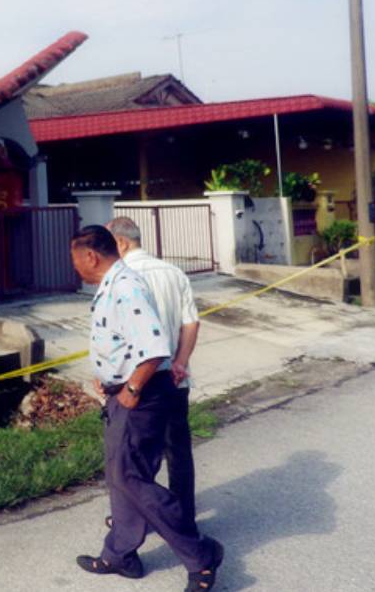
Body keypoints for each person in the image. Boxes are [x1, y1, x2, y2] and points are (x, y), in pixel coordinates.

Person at [69, 225, 222, 591]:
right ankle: (119, 554)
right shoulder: (114, 284)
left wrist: (131, 387)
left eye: (75, 260)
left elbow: (153, 348)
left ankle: (200, 556)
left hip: (140, 394)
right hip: (121, 391)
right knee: (119, 474)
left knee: (130, 477)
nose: (74, 267)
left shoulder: (126, 287)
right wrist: (107, 376)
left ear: (90, 256)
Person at [106, 216, 201, 525]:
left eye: (109, 244)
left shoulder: (122, 277)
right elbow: (191, 322)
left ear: (120, 242)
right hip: (175, 378)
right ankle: (184, 514)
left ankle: (141, 517)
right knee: (178, 450)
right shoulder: (174, 273)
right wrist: (181, 362)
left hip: (141, 380)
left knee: (138, 453)